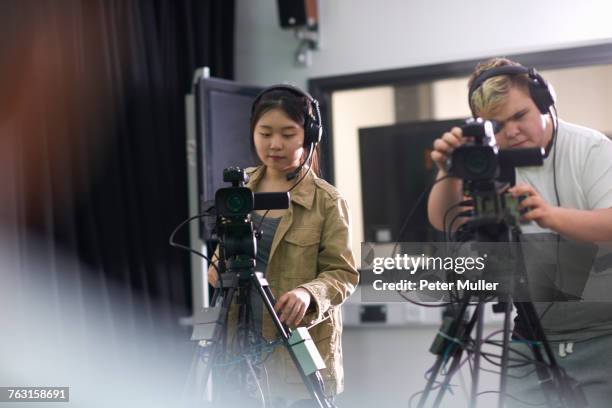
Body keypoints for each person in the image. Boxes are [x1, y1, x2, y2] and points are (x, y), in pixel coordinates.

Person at [427, 57, 612, 407]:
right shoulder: (488, 159)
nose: (510, 131)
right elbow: (442, 218)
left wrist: (549, 216)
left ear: (543, 103)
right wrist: (448, 169)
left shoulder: (589, 148)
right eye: (497, 124)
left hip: (604, 333)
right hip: (532, 333)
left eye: (519, 116)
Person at [208, 84, 359, 407]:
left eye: (288, 134)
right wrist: (215, 266)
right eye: (265, 133)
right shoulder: (237, 193)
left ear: (309, 135)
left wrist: (308, 293)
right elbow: (225, 254)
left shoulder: (328, 202)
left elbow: (344, 273)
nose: (274, 144)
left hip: (297, 361)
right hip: (239, 357)